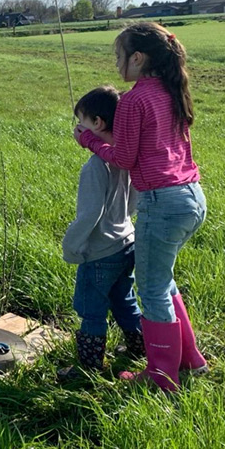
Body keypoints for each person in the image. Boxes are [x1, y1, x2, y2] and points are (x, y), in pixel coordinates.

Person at [75, 22, 208, 391]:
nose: (117, 65)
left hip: (162, 202)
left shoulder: (135, 99)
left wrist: (89, 139)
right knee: (163, 282)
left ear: (138, 57)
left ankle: (162, 376)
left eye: (119, 57)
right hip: (192, 197)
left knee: (150, 291)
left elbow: (123, 157)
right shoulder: (171, 90)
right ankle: (190, 360)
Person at [59, 86, 143, 379]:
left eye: (81, 120)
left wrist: (71, 246)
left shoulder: (95, 166)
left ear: (97, 123)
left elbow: (89, 215)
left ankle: (89, 369)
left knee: (91, 310)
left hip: (99, 254)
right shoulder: (123, 159)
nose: (77, 127)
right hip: (126, 244)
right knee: (124, 299)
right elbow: (133, 201)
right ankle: (139, 348)